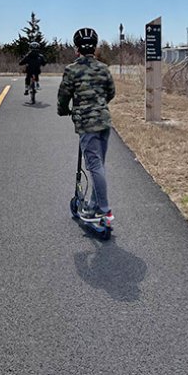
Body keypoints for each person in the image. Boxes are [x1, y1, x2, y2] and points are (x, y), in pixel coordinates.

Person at [57, 27, 116, 226]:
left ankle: (103, 210)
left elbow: (63, 96)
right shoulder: (103, 68)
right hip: (104, 122)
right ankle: (93, 203)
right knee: (98, 165)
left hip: (86, 124)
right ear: (95, 48)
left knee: (94, 165)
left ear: (77, 49)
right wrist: (99, 103)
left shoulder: (72, 69)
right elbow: (111, 92)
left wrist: (64, 110)